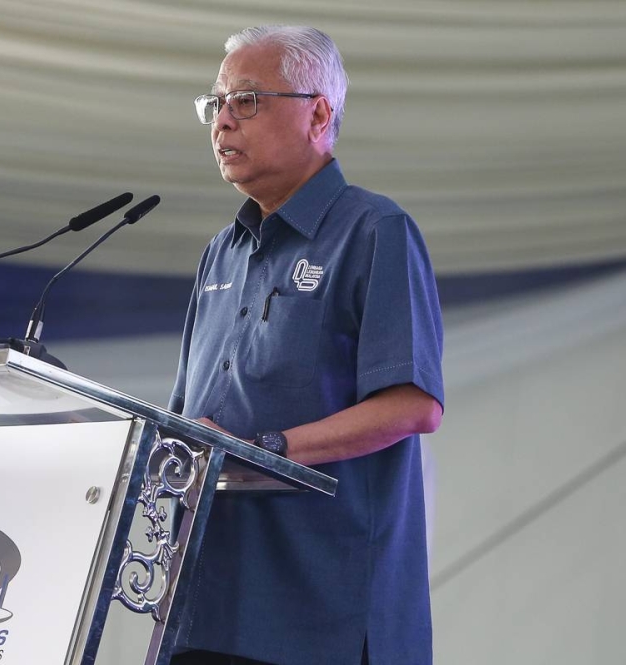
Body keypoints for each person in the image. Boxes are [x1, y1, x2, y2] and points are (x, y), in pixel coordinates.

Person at [168, 26, 445, 665]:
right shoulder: (221, 252)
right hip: (205, 608)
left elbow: (411, 406)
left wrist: (265, 451)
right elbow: (187, 419)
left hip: (322, 615)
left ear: (318, 112)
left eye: (246, 101)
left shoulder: (376, 230)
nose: (221, 124)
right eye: (215, 105)